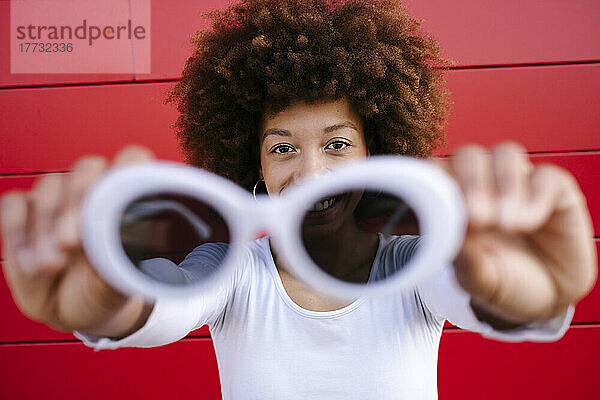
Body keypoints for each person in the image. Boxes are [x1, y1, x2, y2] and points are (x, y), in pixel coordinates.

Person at [0, 0, 596, 398]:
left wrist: (523, 299)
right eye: (283, 148)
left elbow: (470, 287)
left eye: (336, 144)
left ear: (375, 155)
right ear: (253, 163)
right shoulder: (233, 271)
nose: (311, 174)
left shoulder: (411, 265)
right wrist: (110, 296)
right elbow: (167, 302)